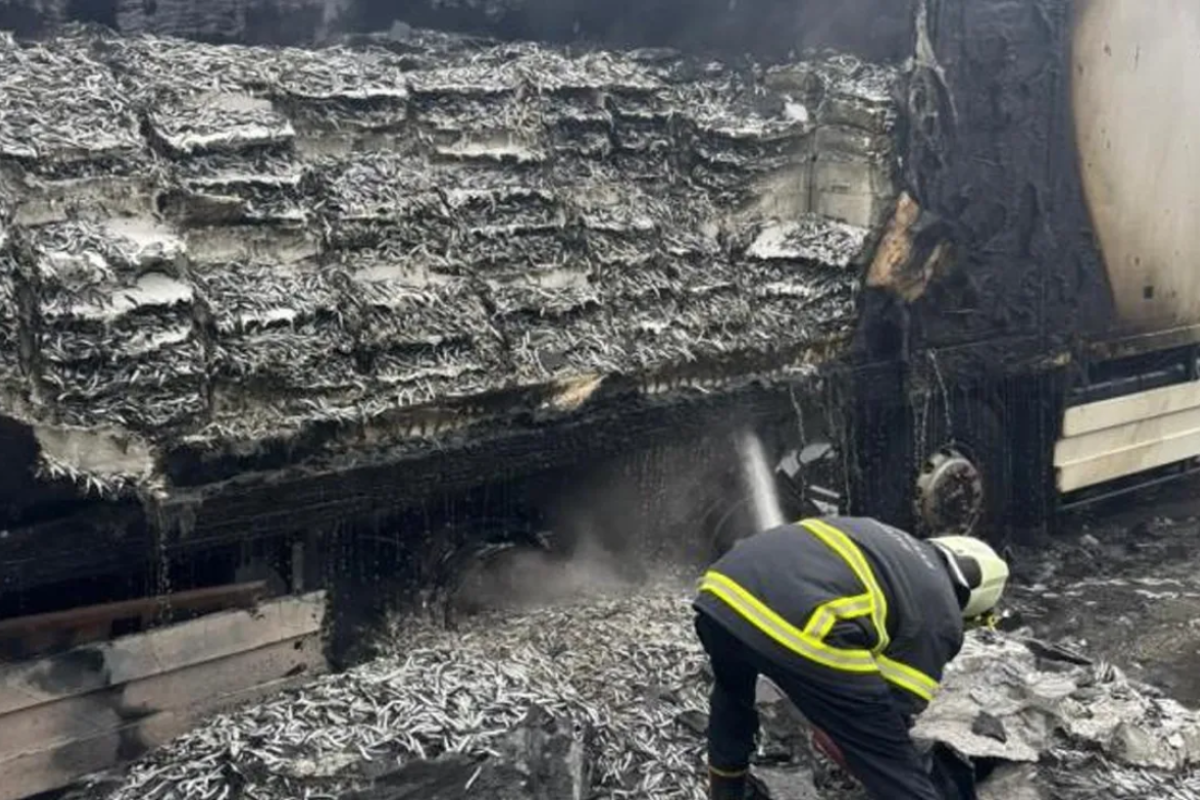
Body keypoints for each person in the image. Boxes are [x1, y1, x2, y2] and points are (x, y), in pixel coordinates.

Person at [692, 516, 1010, 800]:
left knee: (732, 699)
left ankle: (725, 792)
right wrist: (853, 742)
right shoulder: (942, 614)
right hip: (808, 626)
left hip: (720, 594)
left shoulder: (884, 538)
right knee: (894, 768)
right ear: (973, 604)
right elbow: (887, 714)